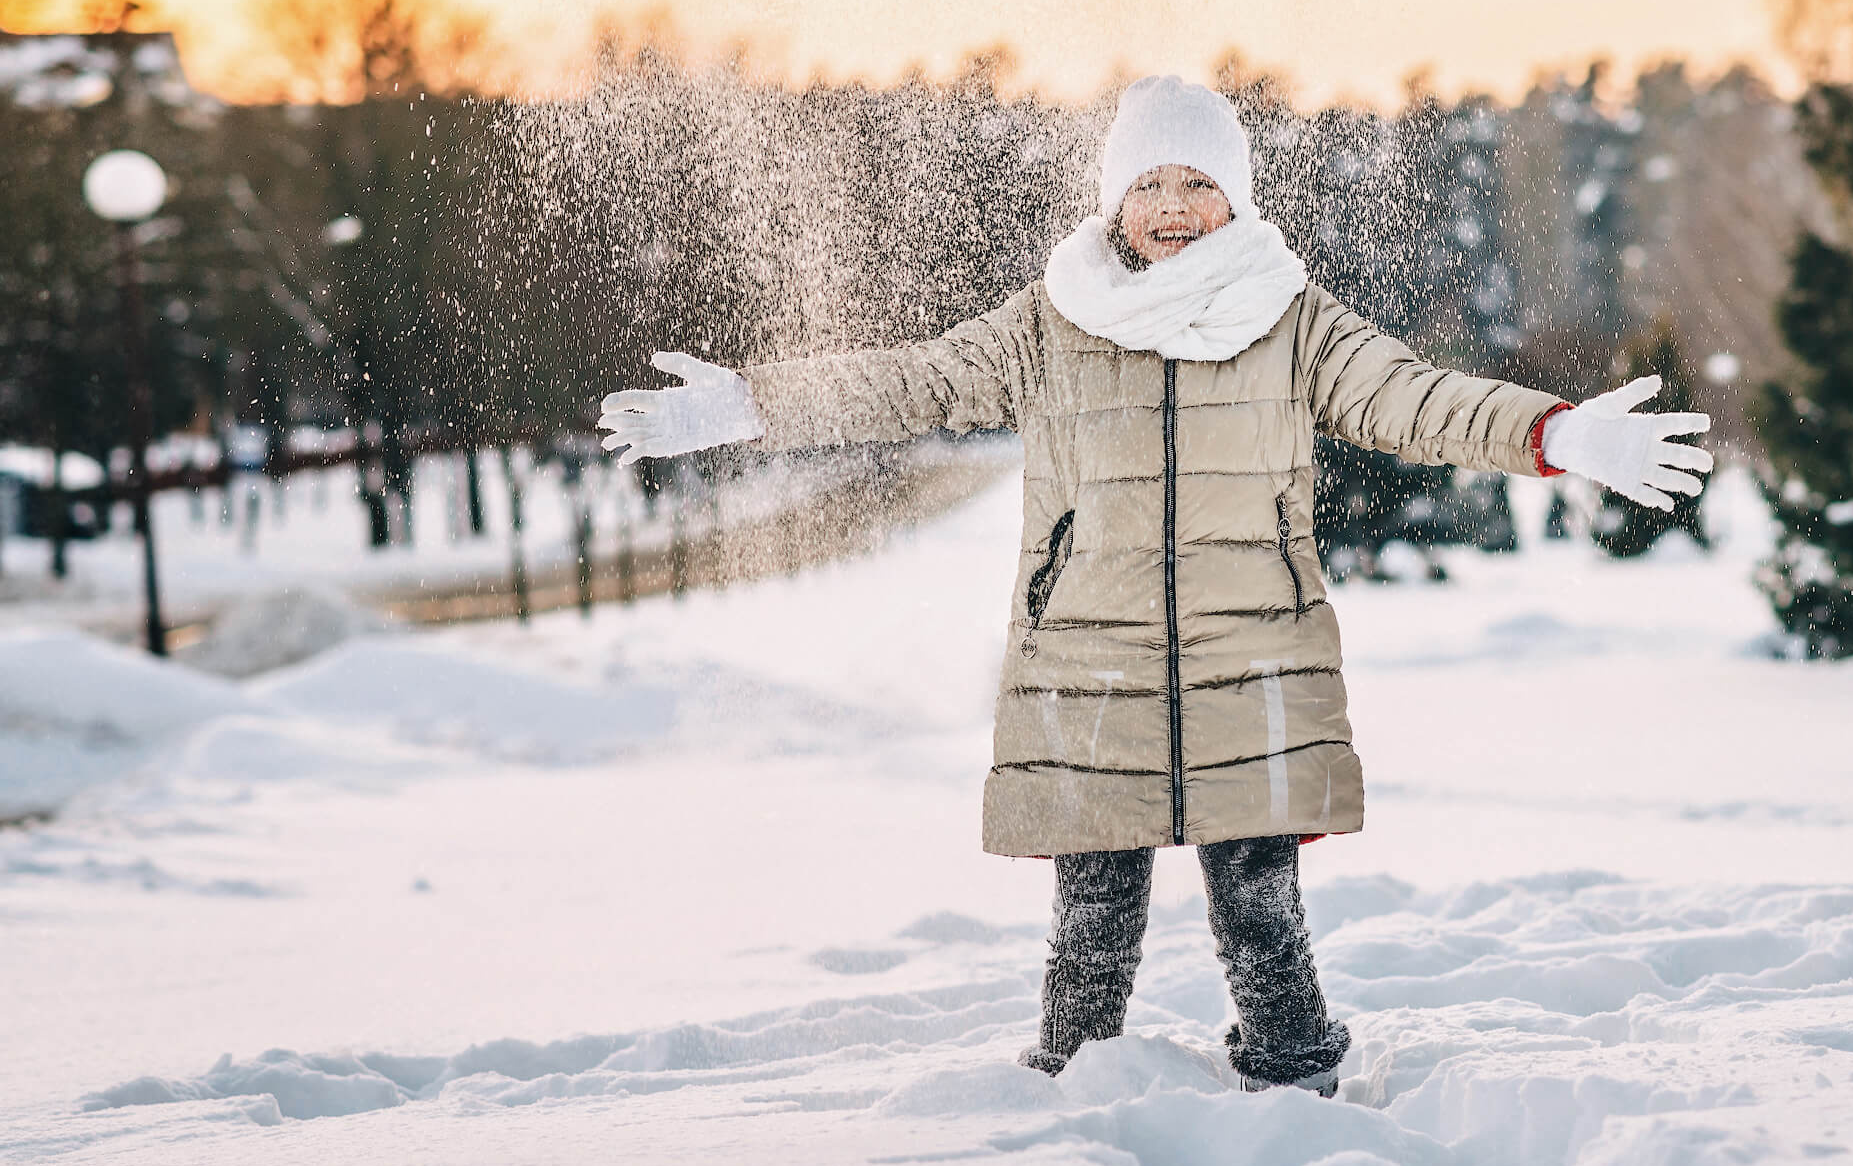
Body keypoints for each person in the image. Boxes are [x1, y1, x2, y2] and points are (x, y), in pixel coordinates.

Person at [597, 75, 1711, 1096]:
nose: (1172, 207)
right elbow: (912, 382)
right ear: (1114, 200)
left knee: (1258, 898)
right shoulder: (1051, 322)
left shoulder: (1289, 317)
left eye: (1198, 184)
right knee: (1093, 910)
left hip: (1253, 652)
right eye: (1148, 185)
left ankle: (1295, 1080)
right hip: (1092, 654)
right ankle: (1070, 1092)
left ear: (1236, 199)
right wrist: (751, 403)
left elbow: (1415, 398)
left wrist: (1557, 434)